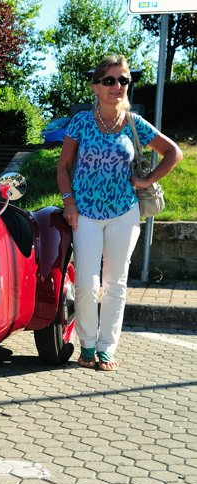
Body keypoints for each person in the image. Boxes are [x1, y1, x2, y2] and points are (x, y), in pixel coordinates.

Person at [57, 54, 182, 371]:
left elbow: (173, 152)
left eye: (123, 80)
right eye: (110, 80)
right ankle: (86, 345)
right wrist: (68, 201)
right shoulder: (82, 122)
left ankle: (106, 349)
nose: (117, 86)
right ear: (95, 86)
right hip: (84, 212)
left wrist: (147, 179)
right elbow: (63, 166)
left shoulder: (133, 123)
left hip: (123, 213)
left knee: (115, 284)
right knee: (86, 282)